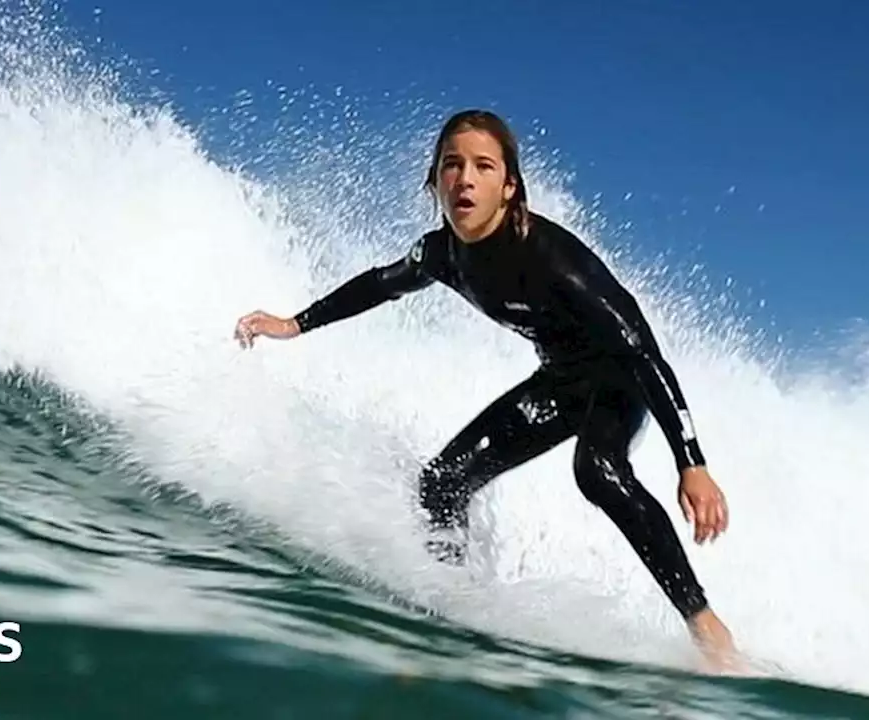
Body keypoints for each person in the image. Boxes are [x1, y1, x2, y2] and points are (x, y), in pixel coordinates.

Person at [231, 109, 739, 668]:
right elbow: (381, 284)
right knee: (441, 482)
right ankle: (457, 604)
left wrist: (690, 462)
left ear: (508, 186)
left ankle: (706, 627)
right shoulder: (443, 254)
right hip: (560, 384)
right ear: (435, 182)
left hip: (622, 381)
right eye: (452, 165)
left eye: (483, 166)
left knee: (597, 471)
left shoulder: (553, 259)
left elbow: (642, 351)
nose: (465, 179)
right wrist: (294, 323)